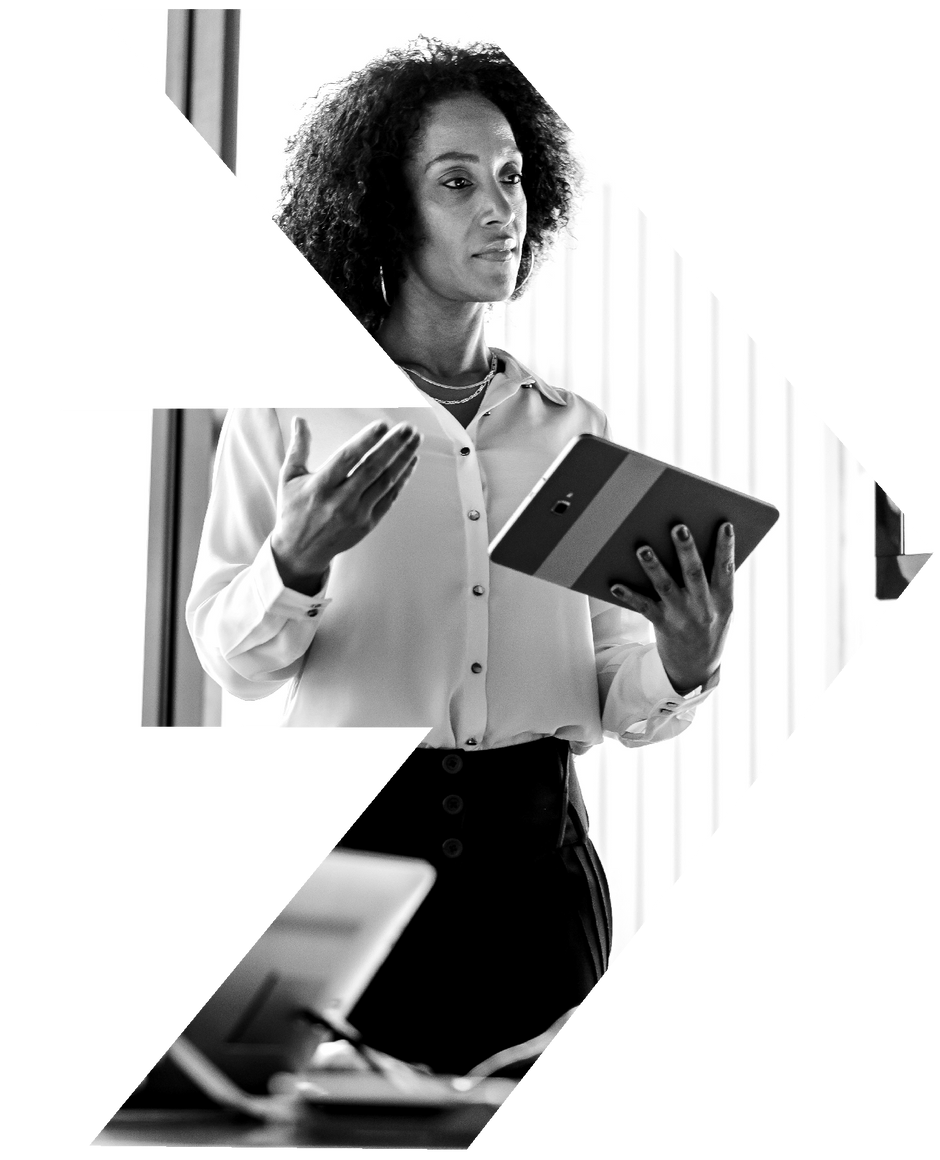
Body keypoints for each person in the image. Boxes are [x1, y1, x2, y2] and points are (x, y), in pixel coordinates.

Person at [185, 38, 734, 1078]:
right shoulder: (289, 408)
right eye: (456, 182)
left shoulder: (573, 430)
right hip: (347, 871)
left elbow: (621, 693)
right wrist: (295, 563)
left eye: (513, 176)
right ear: (385, 210)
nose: (500, 206)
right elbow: (233, 656)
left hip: (540, 881)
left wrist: (683, 657)